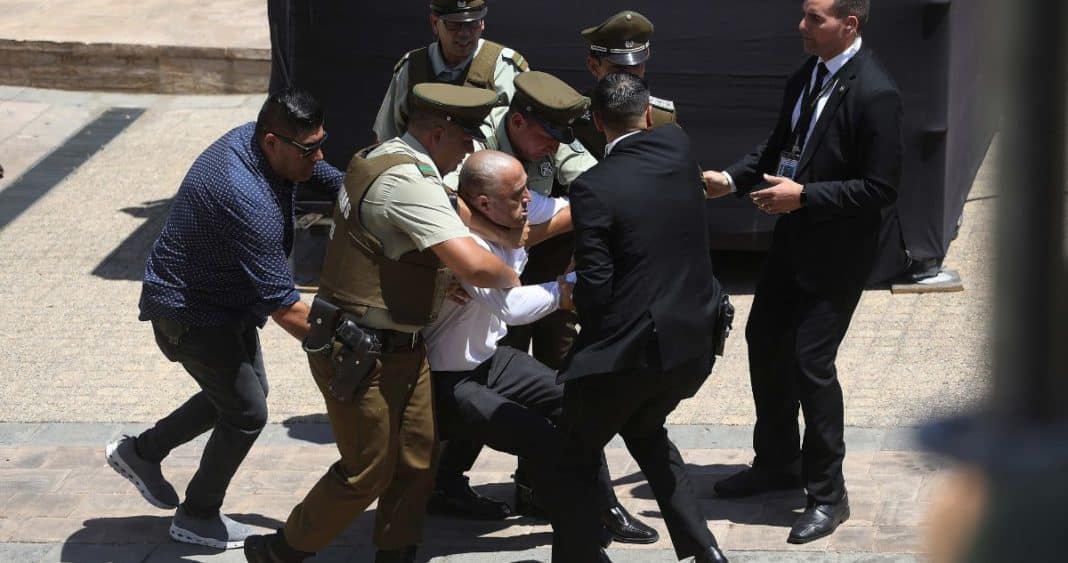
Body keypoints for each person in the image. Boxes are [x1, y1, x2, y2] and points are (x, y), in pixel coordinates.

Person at [243, 84, 521, 563]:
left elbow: (441, 213)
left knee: (417, 458)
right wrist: (510, 271)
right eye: (465, 138)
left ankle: (396, 554)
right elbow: (476, 266)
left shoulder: (391, 157)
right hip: (359, 351)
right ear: (437, 135)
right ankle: (282, 550)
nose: (471, 149)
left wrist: (446, 273)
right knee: (367, 471)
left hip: (402, 346)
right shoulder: (406, 183)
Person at [104, 90, 341, 549]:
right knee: (248, 412)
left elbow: (326, 174)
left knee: (239, 398)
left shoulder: (260, 146)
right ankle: (197, 514)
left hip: (225, 303)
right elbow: (286, 306)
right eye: (309, 149)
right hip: (189, 313)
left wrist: (363, 188)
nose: (319, 156)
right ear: (272, 142)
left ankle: (142, 452)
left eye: (320, 143)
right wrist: (344, 345)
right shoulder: (243, 194)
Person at [704, 0, 903, 544]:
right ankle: (776, 463)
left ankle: (827, 495)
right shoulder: (807, 76)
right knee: (763, 338)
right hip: (793, 240)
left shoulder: (875, 92)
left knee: (811, 362)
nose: (802, 27)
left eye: (815, 18)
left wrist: (805, 196)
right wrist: (729, 179)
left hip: (837, 253)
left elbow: (881, 189)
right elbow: (779, 149)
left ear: (850, 24)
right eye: (804, 15)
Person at [426, 149, 659, 544]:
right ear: (484, 203)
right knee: (543, 439)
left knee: (577, 401)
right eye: (518, 194)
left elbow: (571, 204)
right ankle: (579, 539)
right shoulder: (462, 243)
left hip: (490, 359)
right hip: (450, 379)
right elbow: (510, 307)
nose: (529, 200)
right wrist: (564, 291)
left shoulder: (511, 210)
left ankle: (603, 507)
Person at [551, 72, 729, 563]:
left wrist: (565, 297)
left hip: (630, 357)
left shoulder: (592, 188)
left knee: (572, 454)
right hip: (693, 348)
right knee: (646, 431)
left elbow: (597, 289)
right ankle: (704, 548)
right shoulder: (678, 146)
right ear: (648, 115)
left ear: (596, 123)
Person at [373, 0, 529, 142]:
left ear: (482, 23)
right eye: (454, 25)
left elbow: (530, 137)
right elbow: (386, 137)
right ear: (435, 23)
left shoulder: (505, 69)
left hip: (484, 169)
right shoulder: (412, 68)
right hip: (421, 168)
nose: (464, 34)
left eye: (473, 23)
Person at [572, 10, 678, 158]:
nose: (629, 76)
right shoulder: (574, 118)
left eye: (636, 66)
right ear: (594, 66)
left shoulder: (661, 118)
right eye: (618, 68)